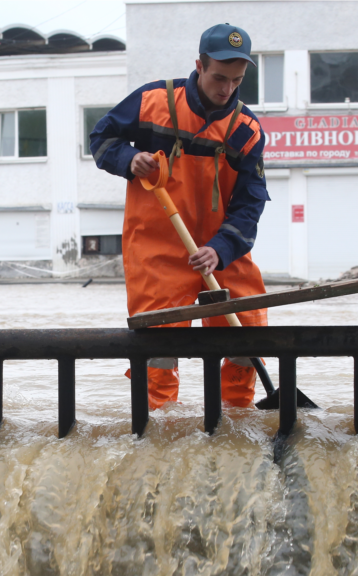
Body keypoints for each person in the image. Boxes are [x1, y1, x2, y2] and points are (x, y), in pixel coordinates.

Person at [89, 23, 270, 410]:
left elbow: (251, 202)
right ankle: (161, 429)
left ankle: (237, 421)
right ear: (199, 65)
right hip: (158, 246)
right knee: (159, 344)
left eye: (236, 81)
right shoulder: (153, 101)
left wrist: (221, 249)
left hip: (220, 248)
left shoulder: (246, 130)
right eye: (219, 77)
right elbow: (101, 138)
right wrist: (128, 158)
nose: (226, 89)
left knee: (249, 331)